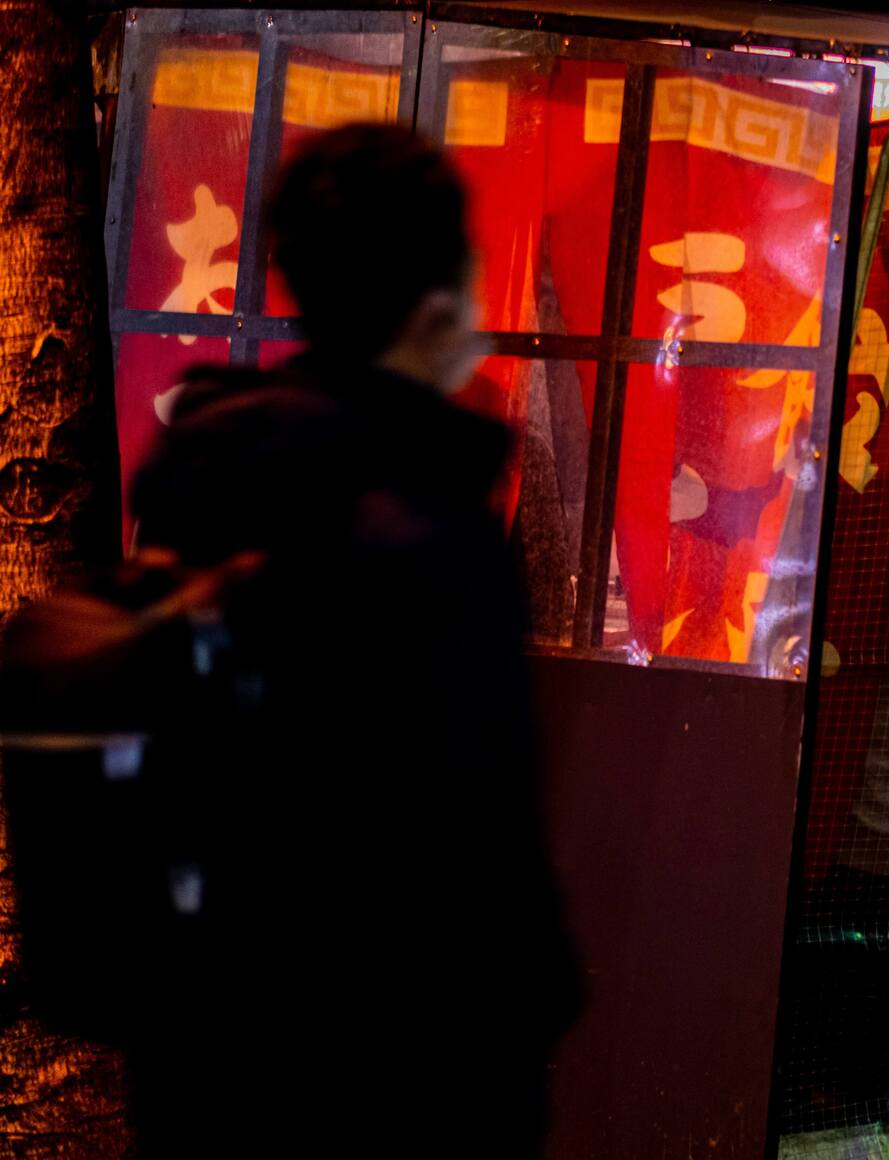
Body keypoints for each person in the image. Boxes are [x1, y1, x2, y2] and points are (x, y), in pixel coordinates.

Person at [127, 123, 580, 1156]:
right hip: (396, 1076)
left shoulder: (208, 476)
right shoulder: (425, 528)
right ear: (436, 296)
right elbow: (478, 839)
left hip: (209, 1059)